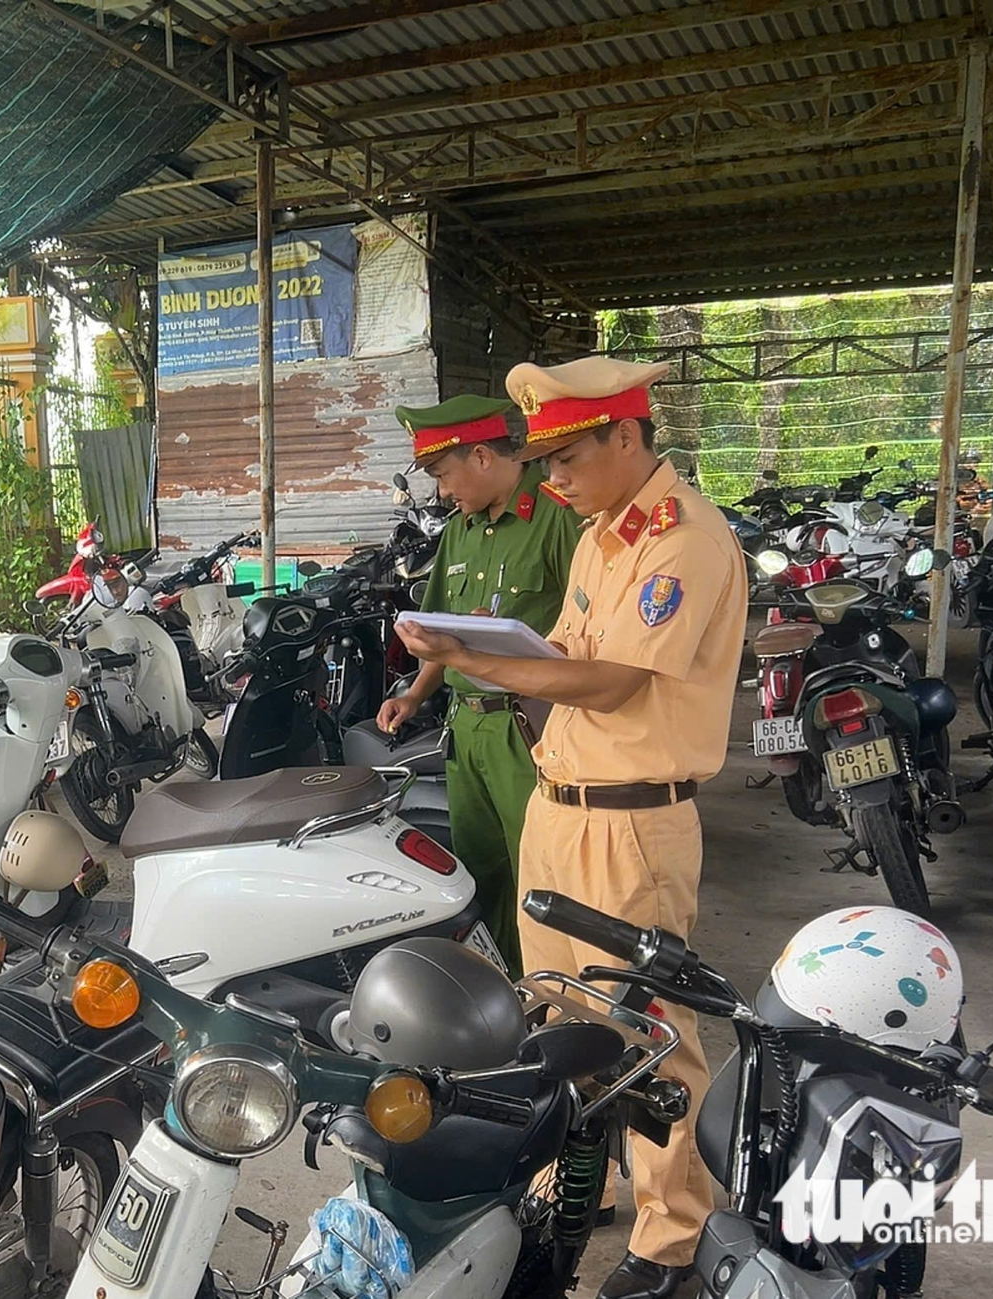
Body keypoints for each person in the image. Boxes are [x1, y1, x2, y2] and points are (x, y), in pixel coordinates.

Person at [393, 356, 746, 1299]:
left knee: (643, 1031)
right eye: (543, 462)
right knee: (556, 1013)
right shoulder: (600, 533)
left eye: (569, 458)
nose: (553, 480)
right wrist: (489, 650)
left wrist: (476, 658)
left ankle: (675, 1234)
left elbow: (614, 680)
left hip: (630, 824)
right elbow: (576, 649)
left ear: (627, 435)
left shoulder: (683, 538)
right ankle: (570, 1182)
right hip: (561, 805)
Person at [375, 393, 578, 977]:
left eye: (443, 474)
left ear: (483, 458)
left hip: (530, 726)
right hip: (467, 728)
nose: (441, 492)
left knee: (540, 875)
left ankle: (553, 993)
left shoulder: (557, 517)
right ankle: (502, 991)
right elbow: (443, 627)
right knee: (480, 871)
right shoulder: (461, 532)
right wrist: (415, 693)